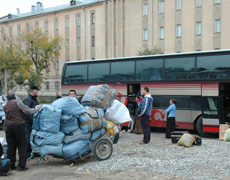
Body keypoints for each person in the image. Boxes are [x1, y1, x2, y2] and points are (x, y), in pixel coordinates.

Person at [3, 93, 42, 171]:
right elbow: (27, 111)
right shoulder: (18, 103)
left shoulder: (5, 106)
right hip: (19, 126)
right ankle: (21, 165)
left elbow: (7, 118)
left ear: (7, 99)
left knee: (11, 146)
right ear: (15, 98)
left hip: (9, 127)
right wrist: (37, 109)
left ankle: (11, 164)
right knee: (22, 145)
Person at [22, 85, 40, 158]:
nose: (38, 92)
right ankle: (27, 153)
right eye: (37, 90)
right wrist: (33, 121)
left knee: (35, 137)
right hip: (29, 122)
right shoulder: (27, 99)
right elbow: (27, 112)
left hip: (33, 121)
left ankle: (35, 152)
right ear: (33, 90)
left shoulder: (33, 98)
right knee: (28, 137)